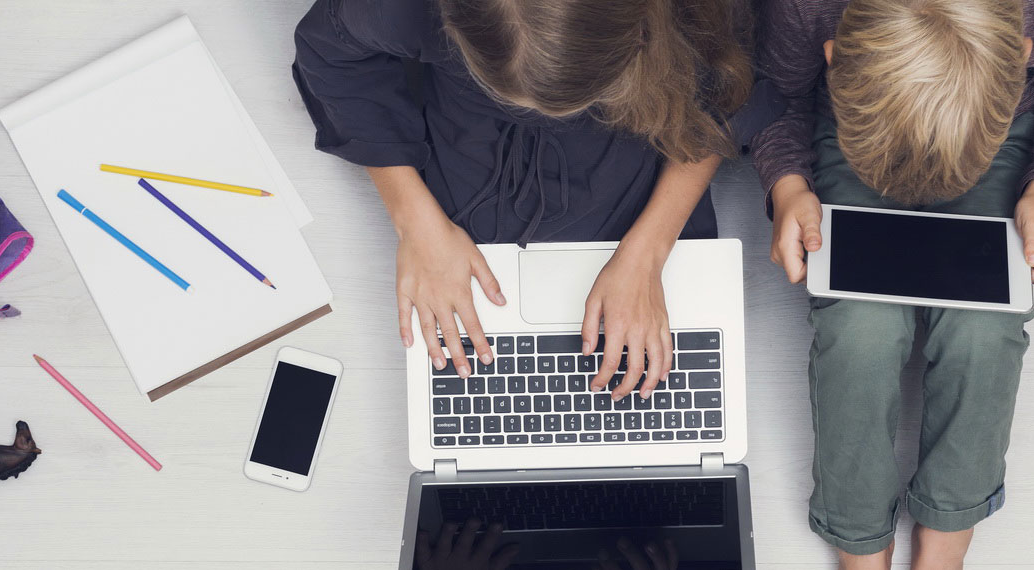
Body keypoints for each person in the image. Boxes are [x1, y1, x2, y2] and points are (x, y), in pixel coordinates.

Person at [752, 0, 1034, 566]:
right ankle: (858, 534)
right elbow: (774, 93)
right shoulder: (805, 9)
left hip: (989, 130)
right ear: (834, 58)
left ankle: (947, 529)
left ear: (1021, 58)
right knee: (857, 330)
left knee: (986, 327)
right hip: (861, 126)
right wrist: (789, 185)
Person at [292, 0, 770, 398]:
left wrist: (648, 254)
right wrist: (413, 219)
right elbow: (332, 53)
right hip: (474, 142)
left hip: (634, 124)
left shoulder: (696, 16)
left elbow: (727, 93)